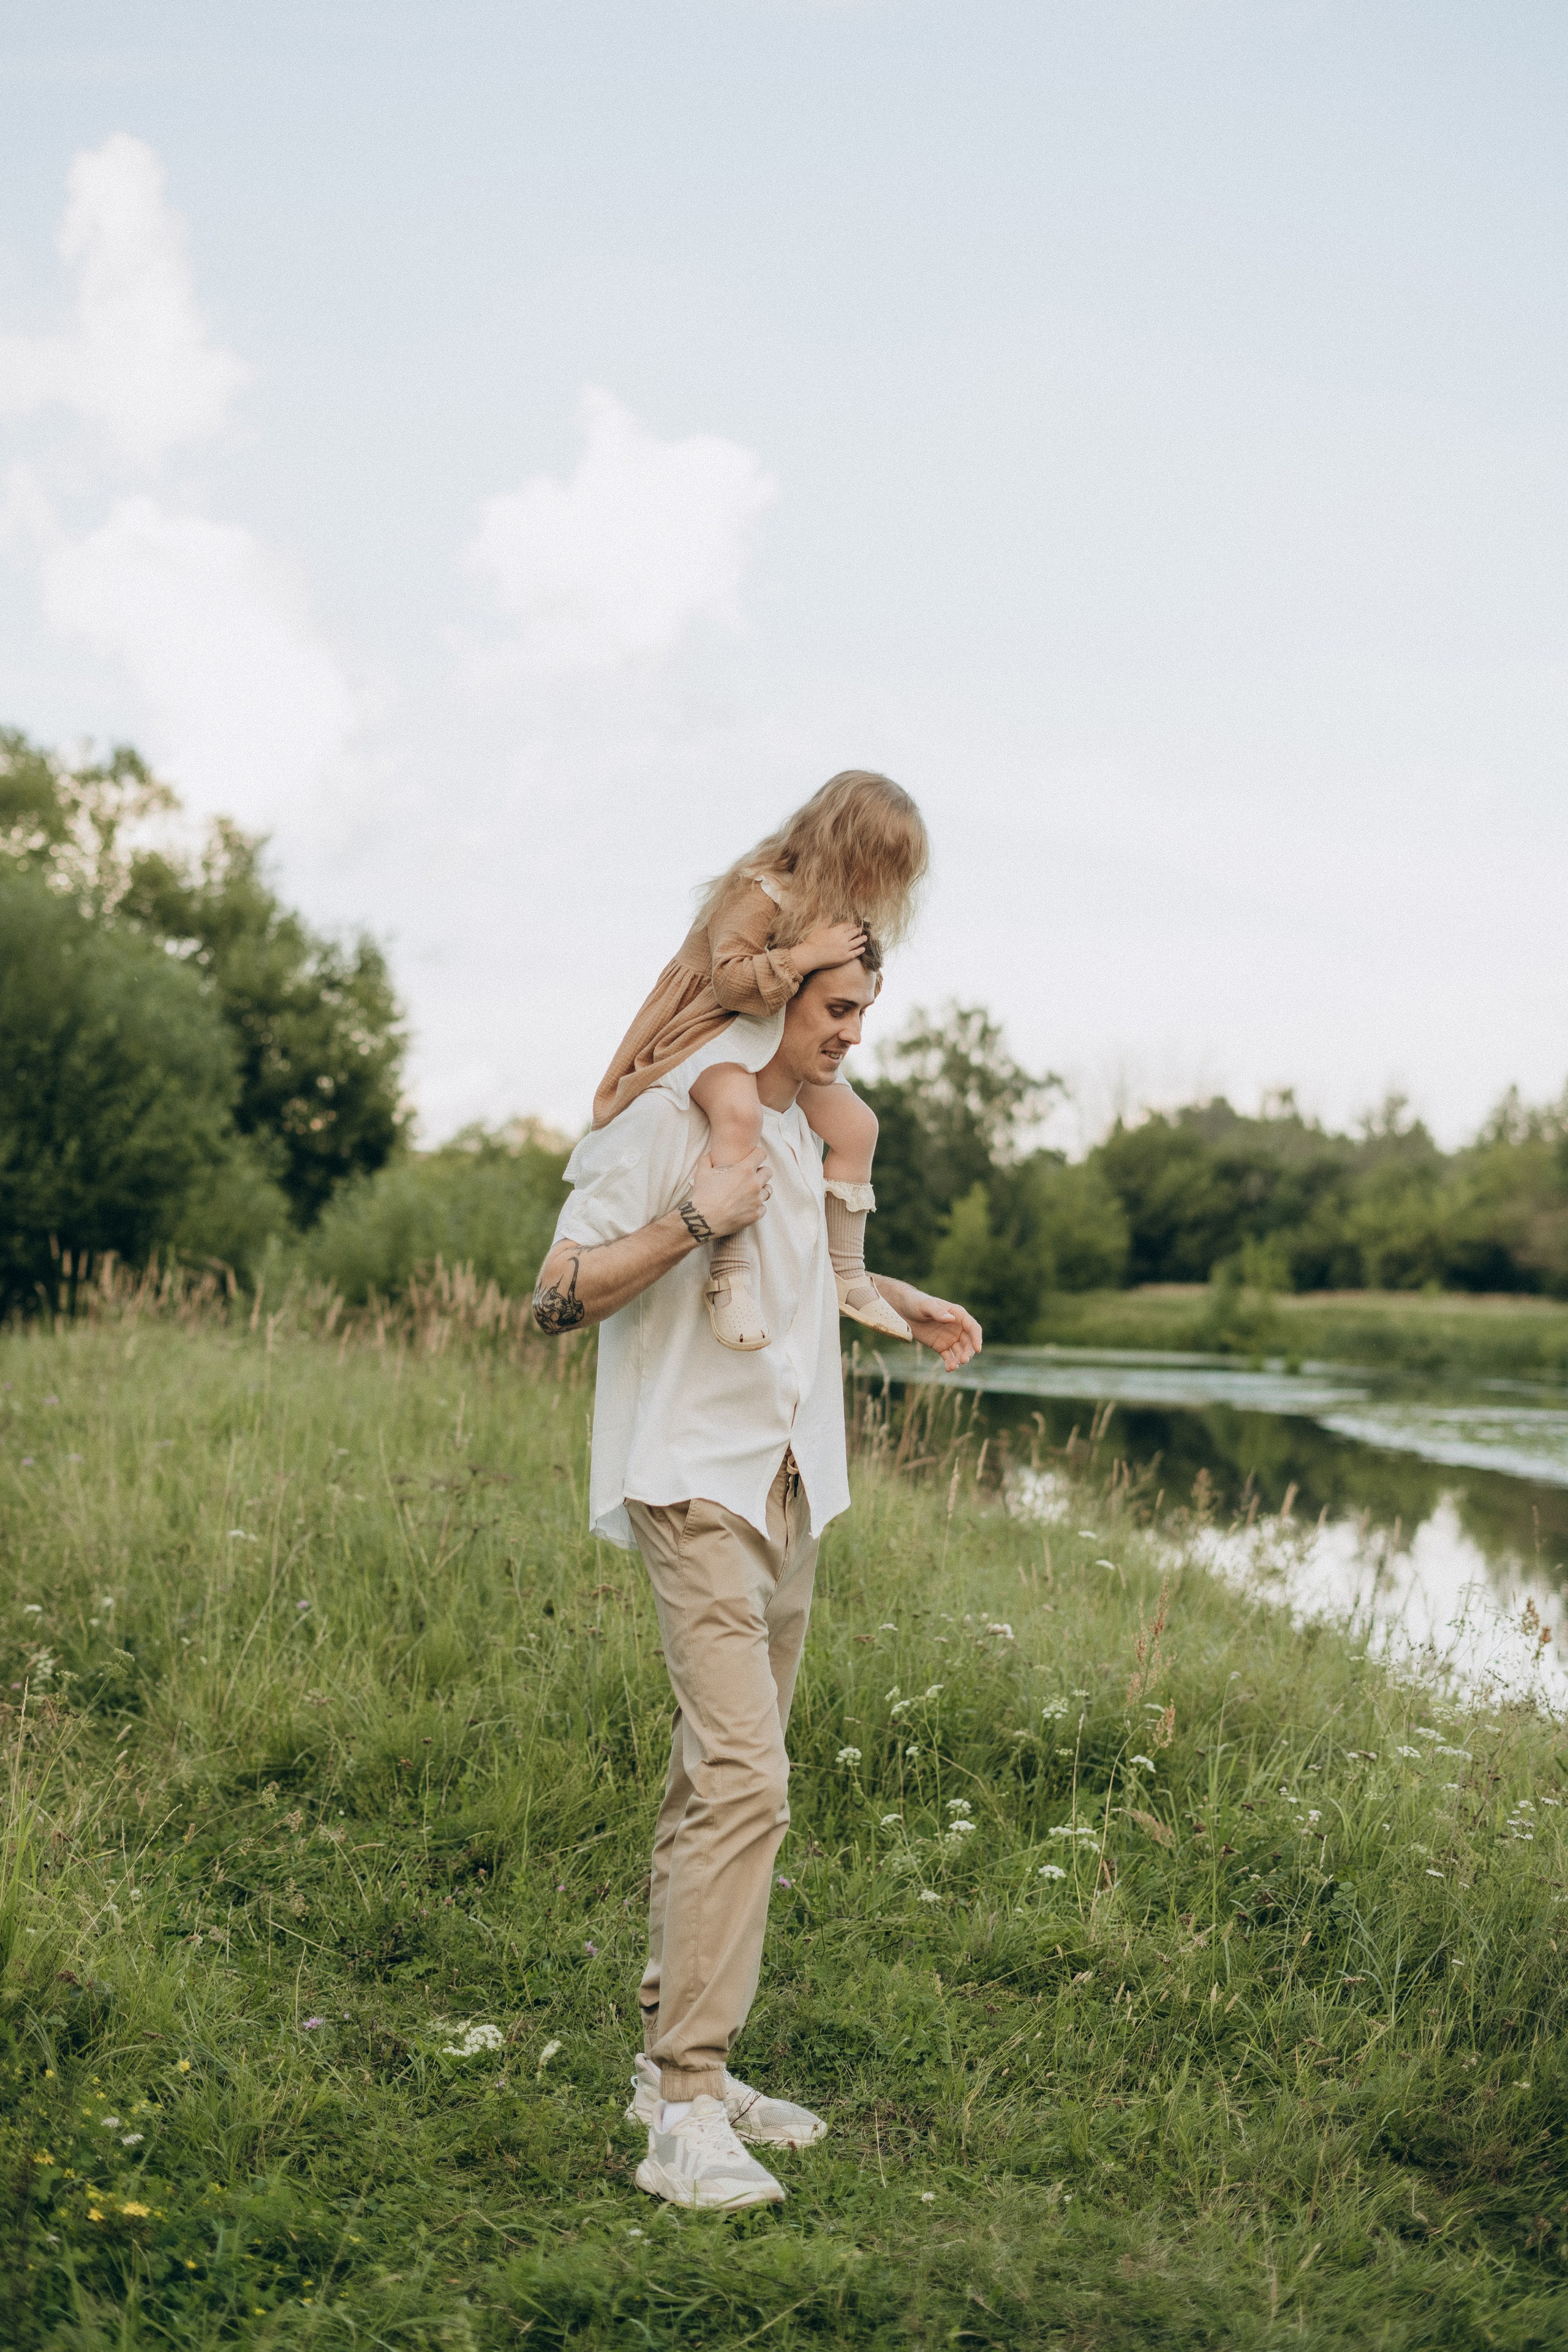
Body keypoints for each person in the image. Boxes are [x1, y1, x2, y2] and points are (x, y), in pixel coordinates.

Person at [533, 937, 981, 2210]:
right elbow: (554, 1296)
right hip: (690, 1480)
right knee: (747, 1782)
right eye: (835, 1007)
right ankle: (683, 2112)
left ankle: (670, 2062)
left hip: (791, 1486)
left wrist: (896, 1299)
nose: (849, 1032)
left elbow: (801, 1290)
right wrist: (690, 1222)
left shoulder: (800, 1135)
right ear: (775, 992)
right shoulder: (674, 1121)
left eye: (861, 1013)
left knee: (710, 1780)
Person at [590, 769, 929, 1352]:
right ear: (842, 844)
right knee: (739, 1114)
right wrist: (805, 955)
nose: (883, 883)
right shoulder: (764, 888)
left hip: (768, 1040)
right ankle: (730, 1275)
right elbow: (729, 985)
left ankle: (846, 1272)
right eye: (879, 862)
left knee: (858, 1126)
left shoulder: (838, 911)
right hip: (707, 1034)